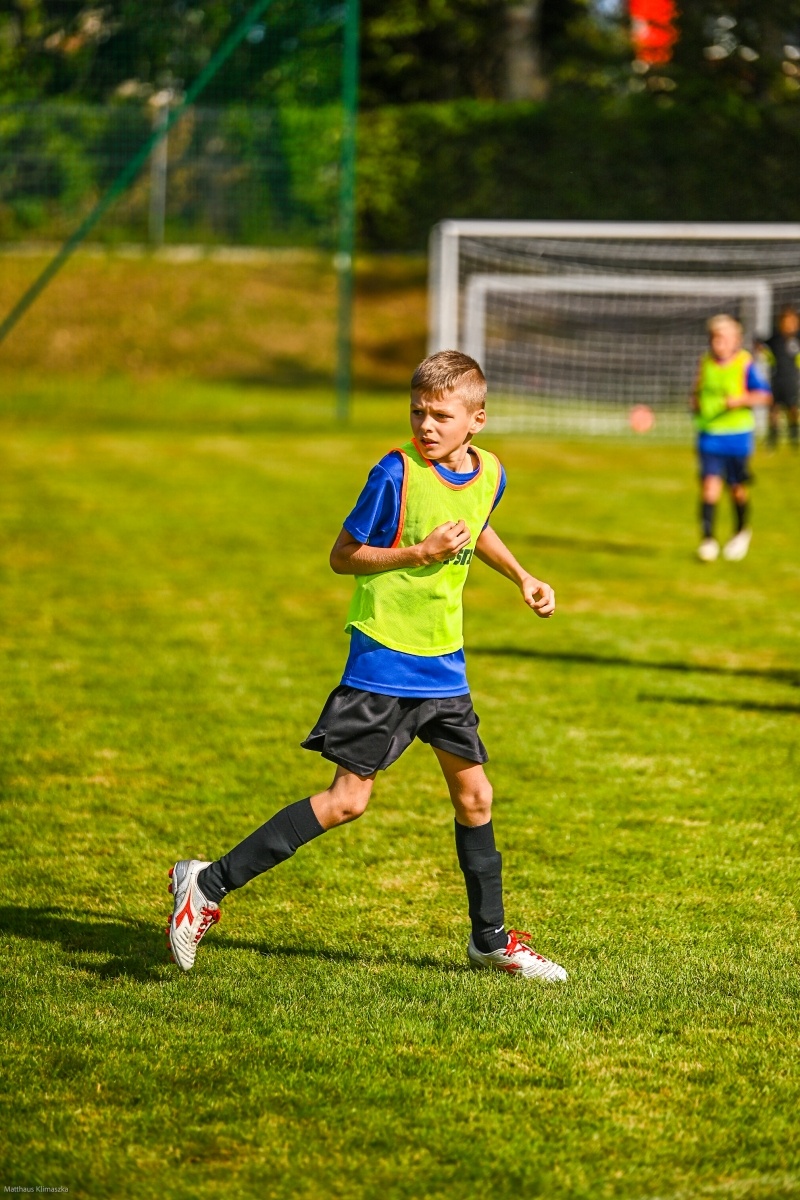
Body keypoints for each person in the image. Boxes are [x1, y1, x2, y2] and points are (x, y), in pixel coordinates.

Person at [166, 350, 568, 982]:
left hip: (444, 664)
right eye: (417, 411)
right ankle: (206, 885)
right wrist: (416, 551)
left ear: (477, 420)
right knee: (347, 801)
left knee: (476, 796)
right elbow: (343, 555)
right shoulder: (394, 473)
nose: (426, 425)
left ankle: (490, 940)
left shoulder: (490, 472)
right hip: (384, 661)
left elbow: (476, 524)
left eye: (440, 415)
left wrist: (522, 576)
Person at [691, 314, 771, 563]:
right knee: (709, 486)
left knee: (736, 488)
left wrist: (740, 400)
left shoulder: (744, 364)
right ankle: (708, 540)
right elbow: (697, 393)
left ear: (736, 340)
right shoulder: (706, 363)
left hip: (737, 436)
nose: (720, 344)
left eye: (725, 339)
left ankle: (740, 531)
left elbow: (764, 396)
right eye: (716, 339)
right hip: (710, 434)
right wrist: (696, 405)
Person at [762, 305, 800, 449]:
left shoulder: (797, 338)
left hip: (792, 379)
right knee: (773, 408)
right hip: (776, 377)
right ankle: (773, 439)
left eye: (793, 321)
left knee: (793, 408)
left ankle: (794, 436)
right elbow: (763, 344)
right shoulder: (775, 338)